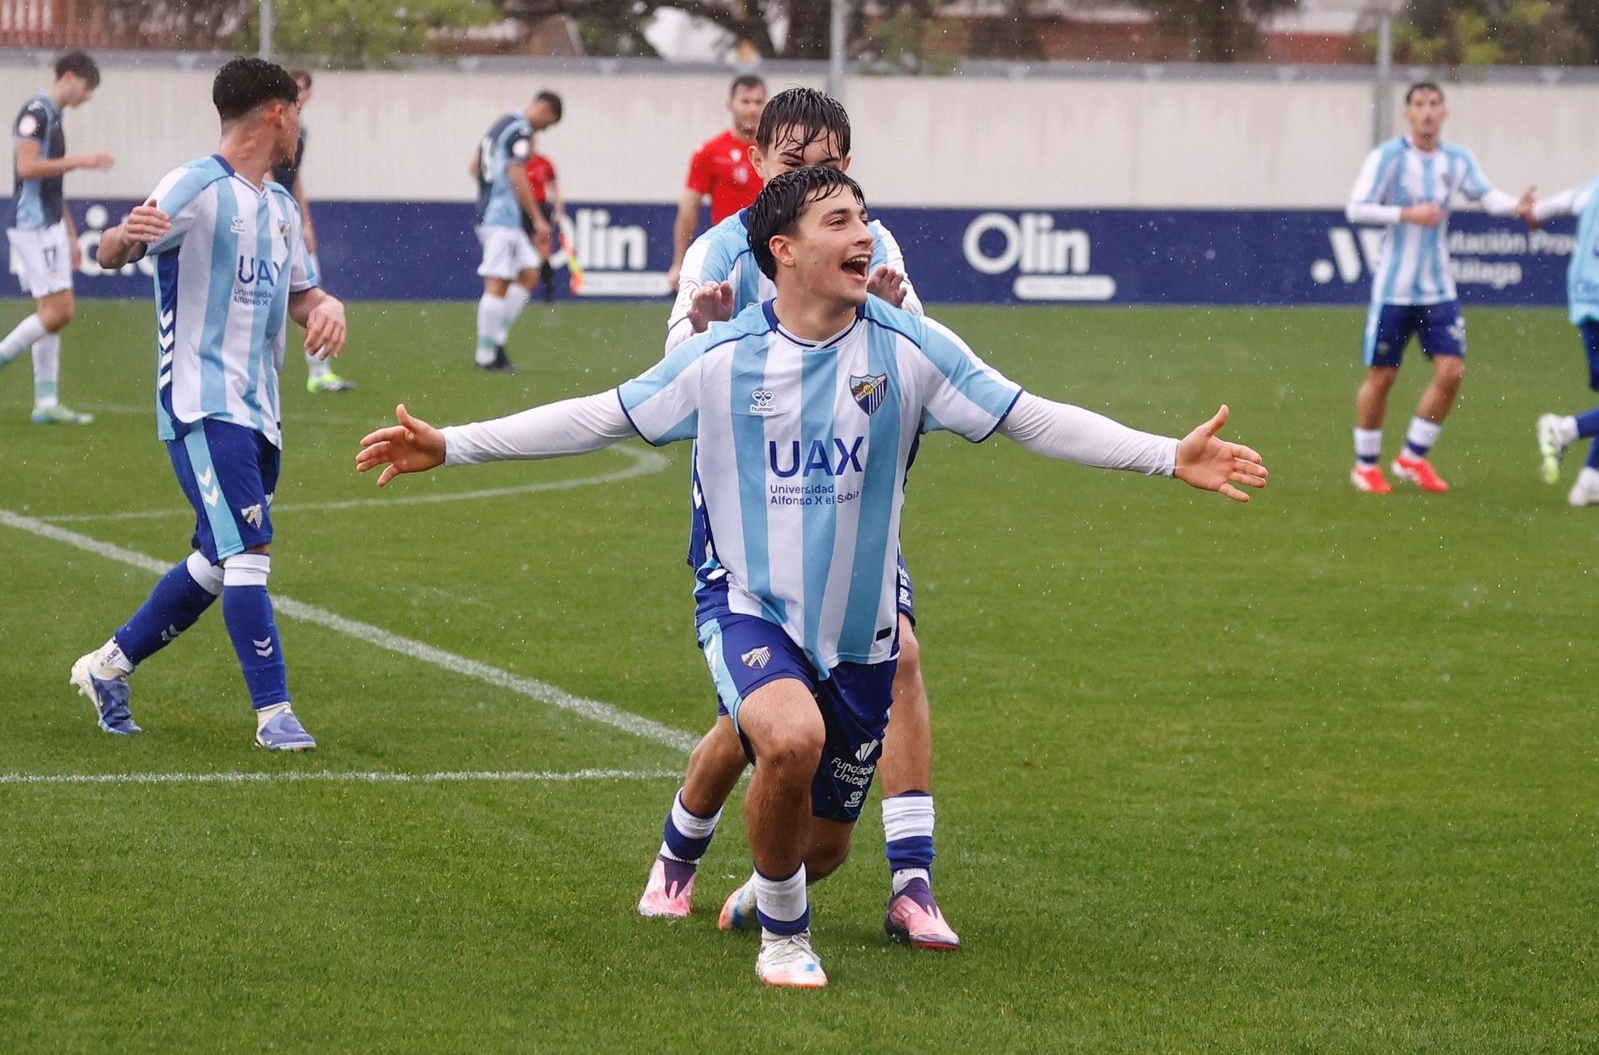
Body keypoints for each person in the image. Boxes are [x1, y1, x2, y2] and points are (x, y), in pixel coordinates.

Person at [356, 165, 1267, 988]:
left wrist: (1165, 454)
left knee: (822, 851)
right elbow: (598, 417)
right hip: (748, 605)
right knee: (787, 739)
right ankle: (785, 941)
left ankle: (767, 890)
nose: (863, 235)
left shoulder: (912, 348)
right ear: (783, 251)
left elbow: (1030, 416)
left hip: (861, 635)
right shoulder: (719, 359)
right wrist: (454, 444)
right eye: (839, 221)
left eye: (864, 217)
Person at [642, 88, 955, 953]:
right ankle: (680, 853)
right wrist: (699, 330)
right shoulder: (723, 248)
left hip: (847, 502)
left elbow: (927, 364)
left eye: (827, 165)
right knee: (759, 726)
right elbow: (671, 383)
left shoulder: (867, 240)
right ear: (756, 160)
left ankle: (912, 882)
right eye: (791, 162)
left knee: (898, 658)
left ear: (847, 166)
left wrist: (896, 310)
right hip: (754, 513)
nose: (811, 178)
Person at [71, 57, 346, 749]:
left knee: (217, 560)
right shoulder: (193, 184)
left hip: (261, 411)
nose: (300, 128)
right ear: (277, 112)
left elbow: (302, 293)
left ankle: (108, 666)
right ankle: (274, 713)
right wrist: (122, 237)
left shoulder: (280, 208)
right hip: (201, 404)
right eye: (298, 113)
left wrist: (326, 305)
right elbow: (111, 250)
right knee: (250, 549)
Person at [1346, 81, 1533, 495]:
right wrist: (1407, 214)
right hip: (1394, 291)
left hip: (1439, 289)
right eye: (1419, 104)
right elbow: (1356, 208)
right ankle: (1366, 466)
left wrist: (1516, 206)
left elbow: (1486, 196)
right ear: (1408, 114)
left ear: (1444, 113)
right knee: (1383, 376)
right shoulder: (1388, 157)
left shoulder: (1457, 160)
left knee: (1451, 372)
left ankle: (1412, 457)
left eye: (1434, 104)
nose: (1427, 111)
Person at [0, 50, 112, 424]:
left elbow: (50, 182)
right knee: (60, 311)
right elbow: (26, 167)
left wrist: (70, 230)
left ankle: (46, 401)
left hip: (48, 223)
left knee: (50, 312)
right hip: (32, 223)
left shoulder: (53, 115)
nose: (88, 96)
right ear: (68, 77)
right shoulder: (36, 113)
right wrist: (81, 161)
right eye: (87, 87)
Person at [269, 68, 353, 394]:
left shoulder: (300, 132)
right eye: (294, 88)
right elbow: (264, 173)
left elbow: (295, 179)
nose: (298, 95)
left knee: (309, 291)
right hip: (273, 222)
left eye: (302, 89)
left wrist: (305, 222)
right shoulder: (273, 126)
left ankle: (319, 372)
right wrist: (279, 214)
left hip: (288, 220)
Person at [470, 90, 562, 373]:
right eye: (547, 124)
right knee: (498, 282)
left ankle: (495, 339)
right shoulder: (521, 129)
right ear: (545, 108)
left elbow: (474, 167)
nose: (543, 130)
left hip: (494, 213)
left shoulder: (500, 125)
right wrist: (537, 218)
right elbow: (516, 172)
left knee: (529, 272)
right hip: (502, 218)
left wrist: (489, 190)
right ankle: (486, 355)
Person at [1525, 177, 1599, 505]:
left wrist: (1533, 211)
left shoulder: (1593, 188)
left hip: (1586, 302)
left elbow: (1551, 207)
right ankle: (1565, 429)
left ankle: (1590, 481)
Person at [665, 75, 766, 294]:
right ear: (730, 105)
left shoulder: (776, 152)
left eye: (758, 102)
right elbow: (689, 207)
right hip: (729, 253)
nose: (752, 109)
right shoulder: (710, 151)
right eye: (746, 101)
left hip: (772, 254)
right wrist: (678, 263)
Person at [524, 151, 564, 303]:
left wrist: (559, 209)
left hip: (541, 207)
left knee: (544, 249)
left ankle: (548, 293)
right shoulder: (517, 164)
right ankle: (521, 291)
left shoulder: (544, 163)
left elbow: (554, 187)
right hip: (523, 208)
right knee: (522, 248)